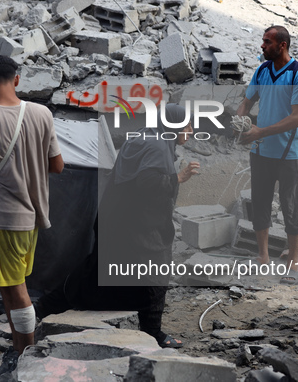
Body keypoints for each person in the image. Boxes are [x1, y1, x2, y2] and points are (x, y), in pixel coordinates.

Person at [34, 104, 199, 348]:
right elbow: (147, 182)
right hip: (135, 225)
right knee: (155, 272)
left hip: (115, 219)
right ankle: (153, 332)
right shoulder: (156, 145)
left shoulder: (146, 136)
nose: (191, 131)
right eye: (187, 125)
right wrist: (178, 177)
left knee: (97, 269)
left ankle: (44, 306)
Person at [0, 55, 64, 360]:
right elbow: (57, 166)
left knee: (16, 288)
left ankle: (26, 353)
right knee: (8, 285)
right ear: (17, 80)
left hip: (5, 216)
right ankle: (18, 346)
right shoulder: (42, 113)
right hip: (33, 215)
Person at [235, 25, 298, 282]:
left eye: (267, 42)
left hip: (289, 154)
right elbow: (247, 101)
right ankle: (264, 255)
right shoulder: (262, 71)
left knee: (291, 206)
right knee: (260, 203)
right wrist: (240, 122)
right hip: (260, 152)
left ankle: (293, 257)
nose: (262, 46)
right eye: (263, 41)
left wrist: (261, 132)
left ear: (282, 45)